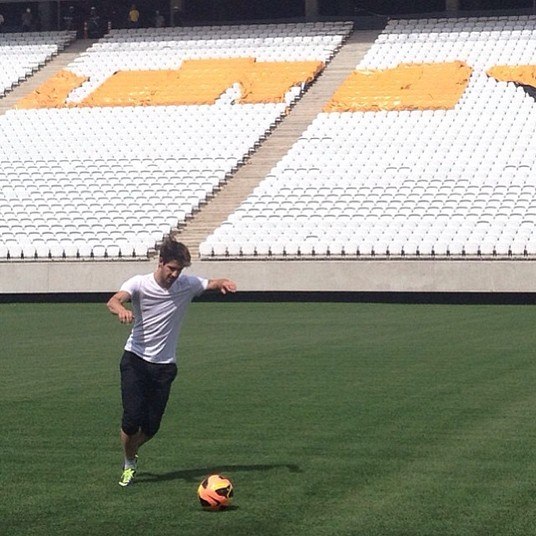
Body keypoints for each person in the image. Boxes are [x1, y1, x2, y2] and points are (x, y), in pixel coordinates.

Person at [107, 238, 237, 487]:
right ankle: (129, 462)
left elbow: (209, 283)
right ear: (161, 262)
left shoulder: (186, 284)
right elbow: (114, 300)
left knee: (152, 427)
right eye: (172, 269)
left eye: (180, 270)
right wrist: (120, 309)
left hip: (165, 366)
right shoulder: (139, 283)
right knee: (131, 419)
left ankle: (131, 449)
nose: (175, 275)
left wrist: (222, 283)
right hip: (135, 360)